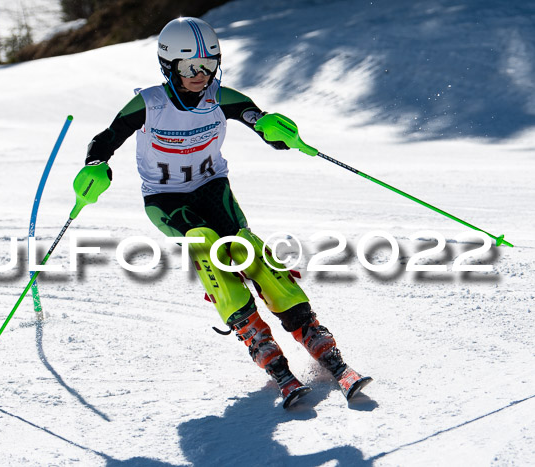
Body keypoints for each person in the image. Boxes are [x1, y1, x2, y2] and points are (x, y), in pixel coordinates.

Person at [81, 17, 371, 408]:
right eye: (190, 68)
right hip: (166, 199)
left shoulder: (223, 98)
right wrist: (96, 166)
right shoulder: (150, 103)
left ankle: (317, 338)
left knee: (247, 249)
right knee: (206, 246)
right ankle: (259, 341)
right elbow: (105, 139)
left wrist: (277, 130)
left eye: (209, 64)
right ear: (169, 67)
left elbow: (262, 125)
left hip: (213, 189)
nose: (201, 75)